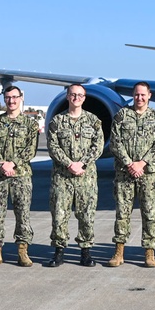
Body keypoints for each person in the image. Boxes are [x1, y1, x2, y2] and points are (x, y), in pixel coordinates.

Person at [106, 81, 155, 268]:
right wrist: (129, 163)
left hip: (148, 173)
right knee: (122, 214)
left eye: (143, 95)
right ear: (132, 96)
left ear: (149, 96)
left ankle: (149, 252)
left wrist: (142, 163)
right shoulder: (122, 116)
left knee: (149, 214)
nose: (139, 98)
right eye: (136, 95)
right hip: (125, 173)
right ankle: (119, 251)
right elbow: (115, 142)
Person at [0, 85, 40, 268]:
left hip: (20, 175)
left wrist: (12, 163)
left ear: (21, 98)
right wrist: (2, 164)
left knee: (23, 214)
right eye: (8, 97)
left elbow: (31, 149)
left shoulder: (30, 124)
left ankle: (22, 251)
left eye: (14, 97)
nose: (11, 101)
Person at [46, 84, 104, 267]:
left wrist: (83, 163)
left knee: (86, 215)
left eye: (80, 95)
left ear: (84, 98)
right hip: (62, 176)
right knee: (59, 214)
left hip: (85, 177)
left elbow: (98, 145)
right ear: (67, 97)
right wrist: (69, 163)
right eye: (73, 95)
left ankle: (85, 252)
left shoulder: (93, 121)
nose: (76, 98)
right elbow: (52, 146)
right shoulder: (57, 121)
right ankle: (59, 251)